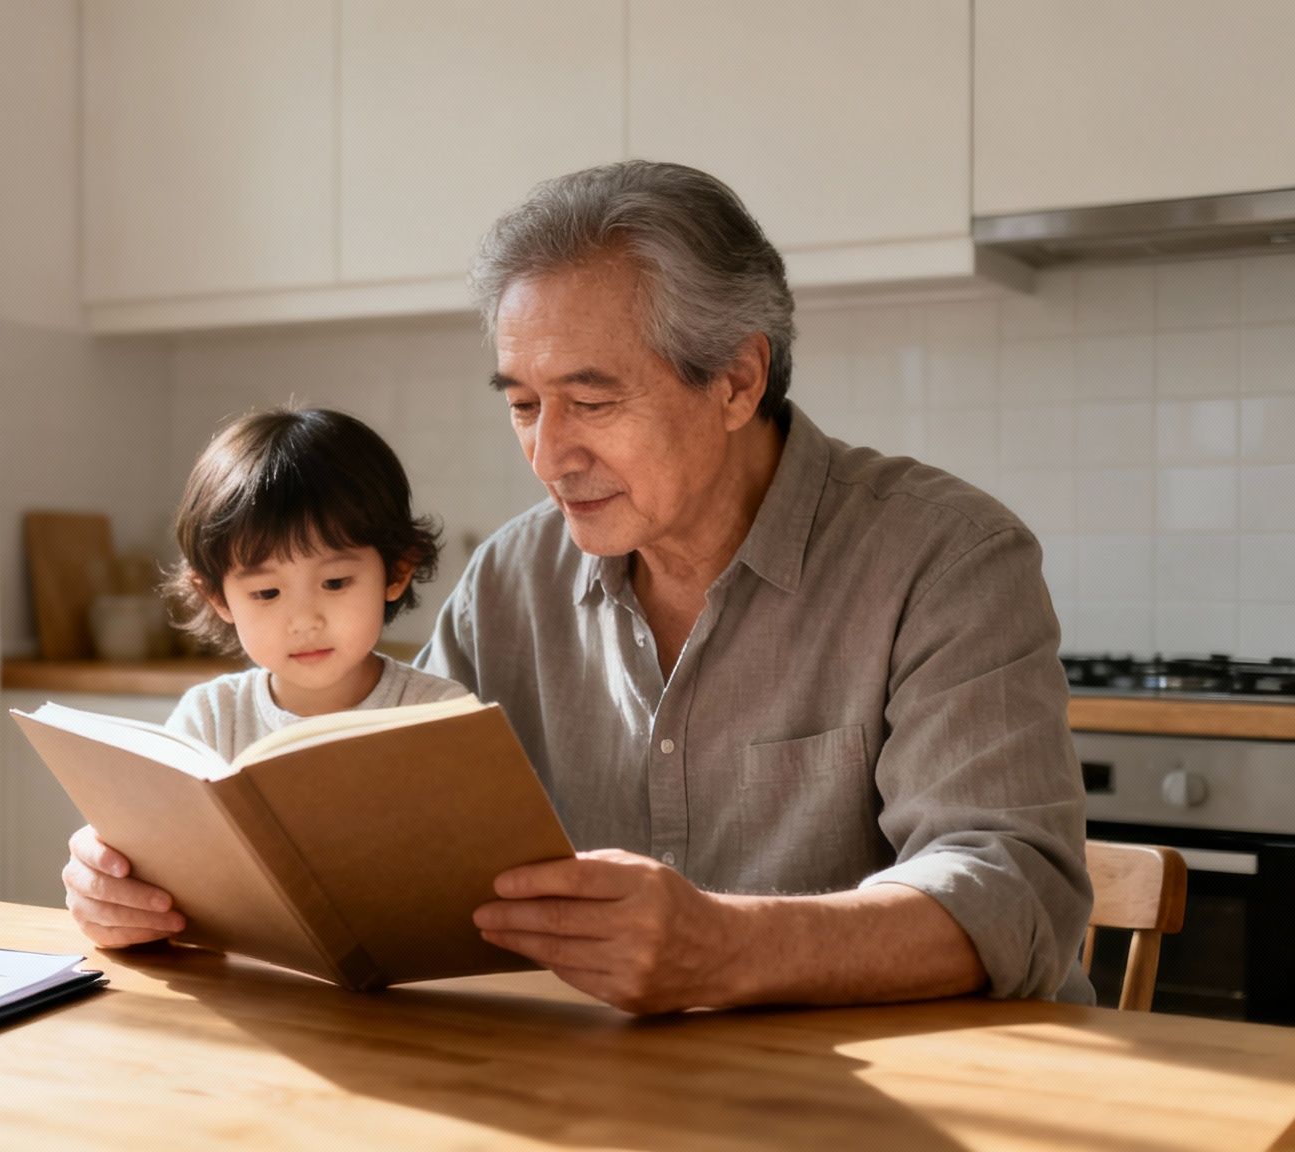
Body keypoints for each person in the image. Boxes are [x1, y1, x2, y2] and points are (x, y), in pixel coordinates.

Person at [62, 160, 1093, 1014]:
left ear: (736, 380)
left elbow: (1016, 895)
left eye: (589, 401)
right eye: (522, 405)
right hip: (601, 1095)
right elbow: (384, 832)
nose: (549, 455)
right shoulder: (512, 578)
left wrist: (729, 946)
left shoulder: (946, 558)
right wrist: (153, 880)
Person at [159, 406, 467, 762]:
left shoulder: (440, 714)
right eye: (267, 593)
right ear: (218, 598)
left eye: (334, 583)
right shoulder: (211, 719)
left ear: (396, 572)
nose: (305, 621)